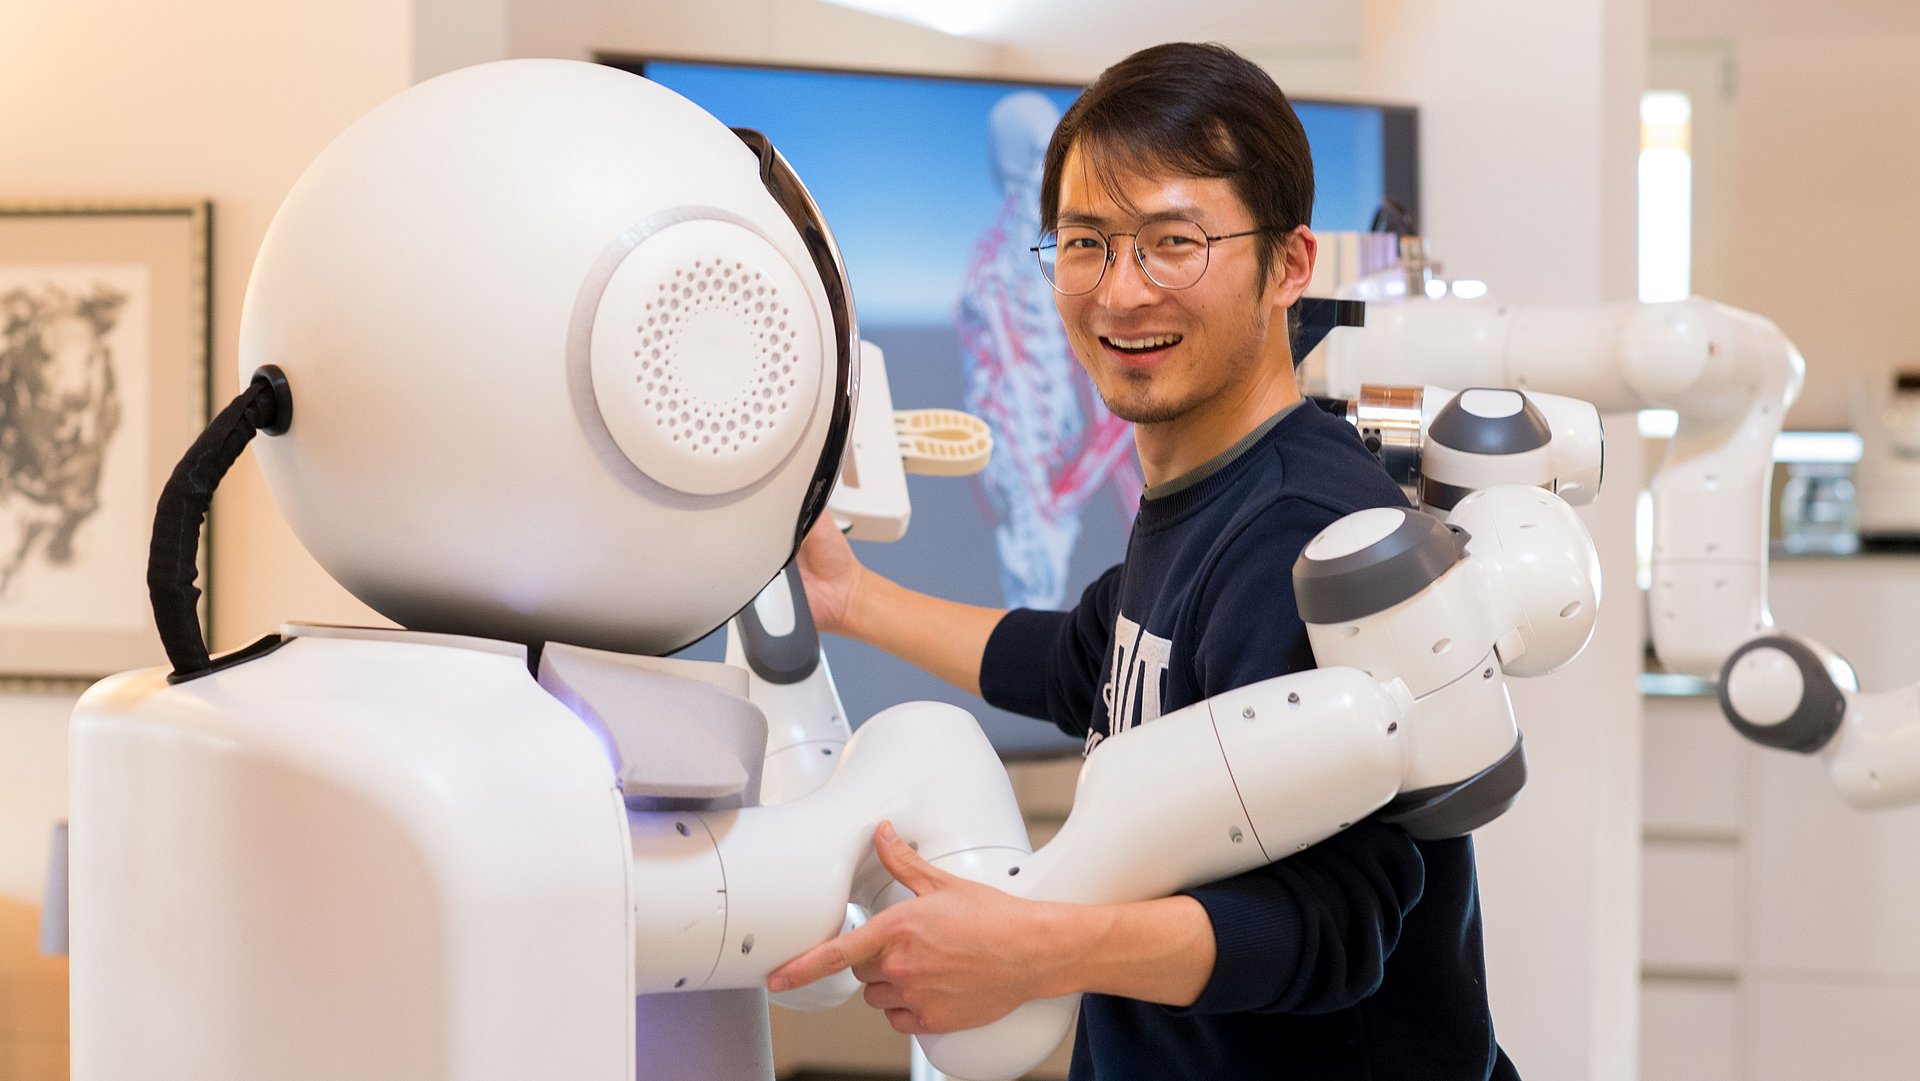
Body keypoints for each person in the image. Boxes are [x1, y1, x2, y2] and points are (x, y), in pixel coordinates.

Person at [768, 41, 1520, 1081]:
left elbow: (1340, 928)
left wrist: (1028, 950)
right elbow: (1090, 661)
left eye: (1173, 241)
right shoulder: (1205, 490)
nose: (1121, 292)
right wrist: (850, 597)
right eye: (1086, 242)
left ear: (1289, 265)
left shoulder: (1304, 529)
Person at [954, 89, 1141, 610]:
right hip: (1036, 497)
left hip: (1082, 475)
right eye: (1045, 155)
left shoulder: (1069, 260)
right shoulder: (990, 282)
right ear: (1018, 166)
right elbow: (1002, 389)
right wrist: (1032, 501)